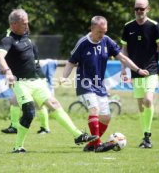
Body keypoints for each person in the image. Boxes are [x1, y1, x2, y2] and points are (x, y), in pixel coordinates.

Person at [0, 8, 98, 153]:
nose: (27, 26)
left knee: (54, 104)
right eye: (24, 23)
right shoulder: (8, 40)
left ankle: (78, 135)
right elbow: (0, 56)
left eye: (27, 22)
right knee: (29, 113)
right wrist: (7, 71)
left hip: (37, 81)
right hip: (21, 83)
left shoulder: (26, 36)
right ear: (13, 24)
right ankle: (18, 147)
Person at [61, 16, 149, 152]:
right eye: (99, 32)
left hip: (99, 85)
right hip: (85, 83)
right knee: (94, 109)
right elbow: (71, 62)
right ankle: (97, 145)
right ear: (91, 28)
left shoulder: (107, 41)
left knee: (106, 117)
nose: (102, 35)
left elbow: (123, 58)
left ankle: (91, 145)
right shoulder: (83, 43)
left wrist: (137, 69)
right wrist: (64, 77)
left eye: (104, 32)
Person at [120, 0, 159, 149]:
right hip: (135, 70)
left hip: (151, 70)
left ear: (148, 9)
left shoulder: (154, 26)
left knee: (148, 100)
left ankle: (148, 134)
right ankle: (145, 136)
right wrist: (123, 68)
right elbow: (124, 50)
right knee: (140, 105)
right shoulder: (128, 26)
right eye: (136, 9)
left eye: (142, 8)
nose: (139, 11)